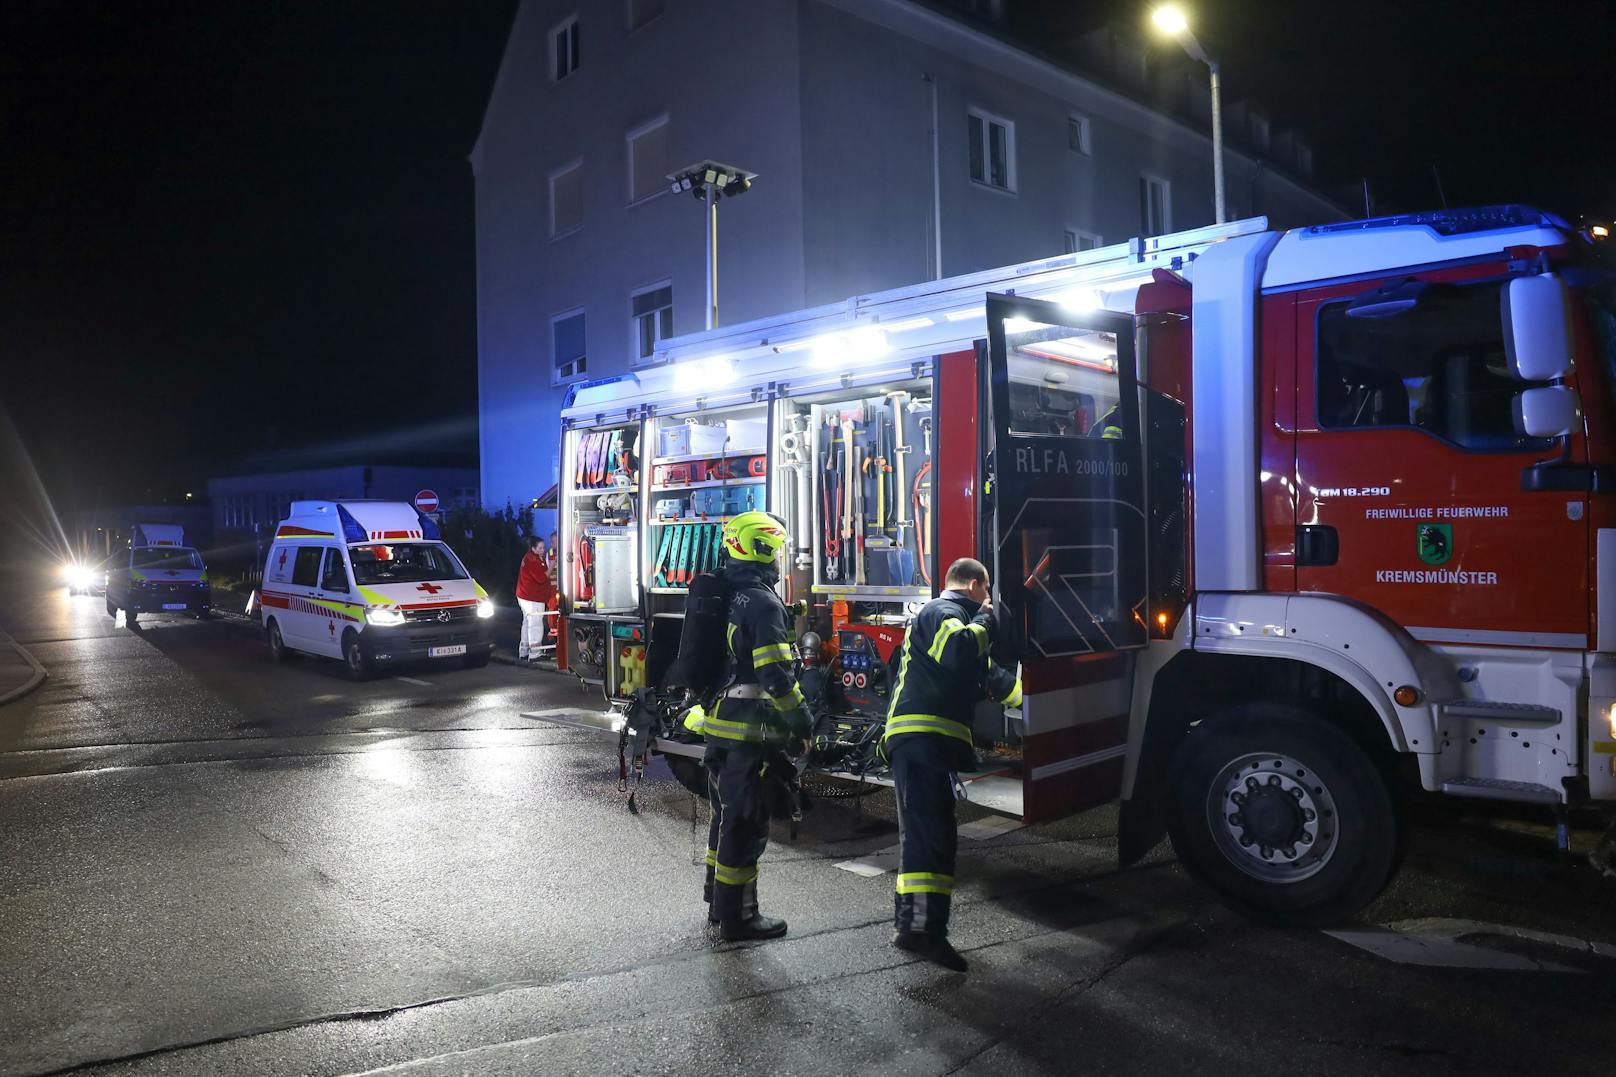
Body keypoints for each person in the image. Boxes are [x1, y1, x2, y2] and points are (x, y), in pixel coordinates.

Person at [881, 557, 1021, 972]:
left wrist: (1034, 706)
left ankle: (913, 928)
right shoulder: (942, 611)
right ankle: (924, 933)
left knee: (929, 836)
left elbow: (990, 676)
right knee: (931, 839)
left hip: (926, 743)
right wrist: (988, 621)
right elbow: (959, 651)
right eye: (988, 590)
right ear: (975, 585)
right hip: (922, 740)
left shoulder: (955, 620)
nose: (989, 598)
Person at [702, 510, 811, 941]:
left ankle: (718, 902)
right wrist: (801, 720)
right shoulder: (762, 603)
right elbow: (775, 675)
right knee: (745, 825)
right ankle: (739, 918)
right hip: (748, 731)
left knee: (723, 818)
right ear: (763, 548)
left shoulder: (727, 592)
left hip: (718, 725)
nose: (782, 559)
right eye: (778, 550)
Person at [516, 536, 556, 663]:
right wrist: (552, 566)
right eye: (539, 548)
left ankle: (524, 652)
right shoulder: (533, 560)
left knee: (527, 623)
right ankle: (535, 653)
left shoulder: (531, 557)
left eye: (543, 547)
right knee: (535, 624)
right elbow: (542, 578)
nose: (543, 550)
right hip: (532, 598)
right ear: (533, 548)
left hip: (525, 596)